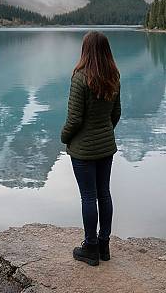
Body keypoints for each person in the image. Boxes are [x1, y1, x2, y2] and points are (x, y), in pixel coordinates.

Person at [61, 31, 121, 266]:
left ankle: (91, 248)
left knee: (88, 196)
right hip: (106, 147)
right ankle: (104, 246)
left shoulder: (80, 77)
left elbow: (74, 120)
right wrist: (105, 132)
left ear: (85, 50)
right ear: (106, 50)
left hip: (84, 150)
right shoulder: (113, 75)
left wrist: (64, 137)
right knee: (104, 193)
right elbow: (116, 114)